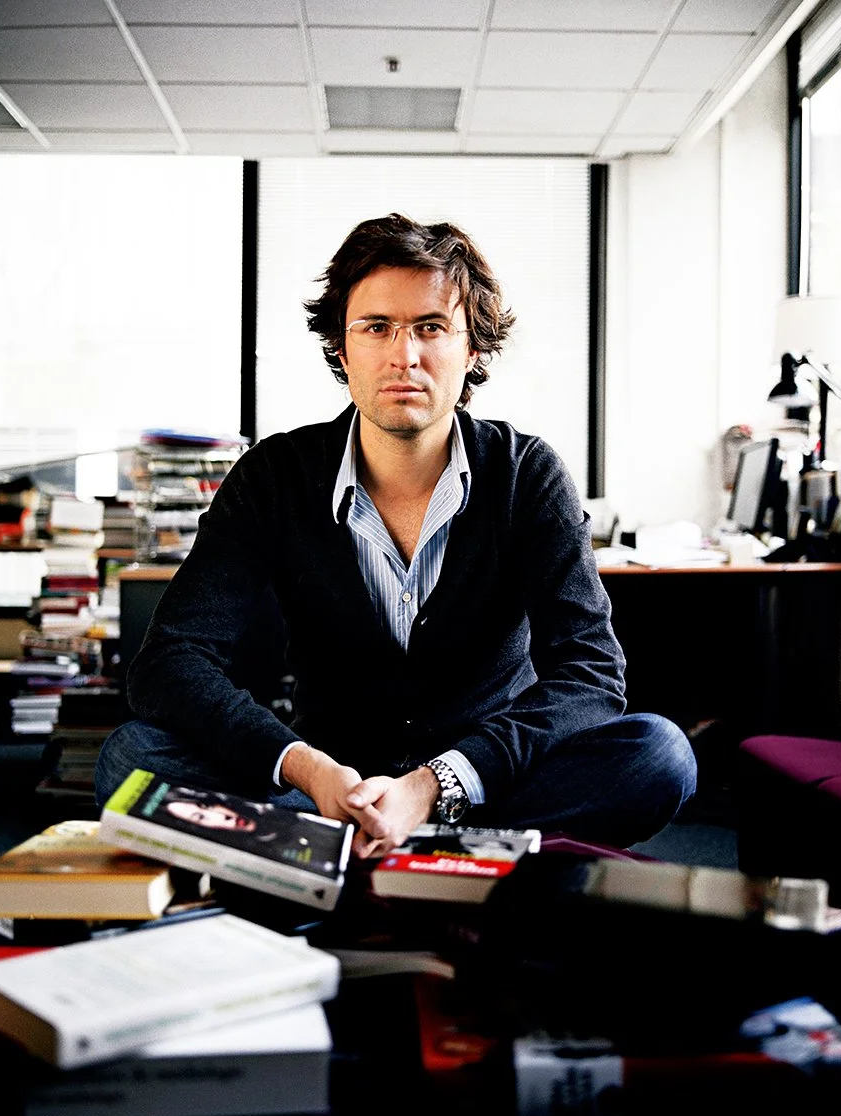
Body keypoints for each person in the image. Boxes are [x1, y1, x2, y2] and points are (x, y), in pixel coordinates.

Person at [95, 212, 696, 857]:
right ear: (342, 346)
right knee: (132, 759)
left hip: (486, 785)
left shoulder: (527, 475)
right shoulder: (275, 476)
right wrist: (306, 767)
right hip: (330, 792)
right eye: (376, 327)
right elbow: (170, 661)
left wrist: (434, 785)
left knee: (658, 756)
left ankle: (336, 862)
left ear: (472, 348)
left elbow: (589, 674)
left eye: (431, 327)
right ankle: (430, 859)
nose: (402, 355)